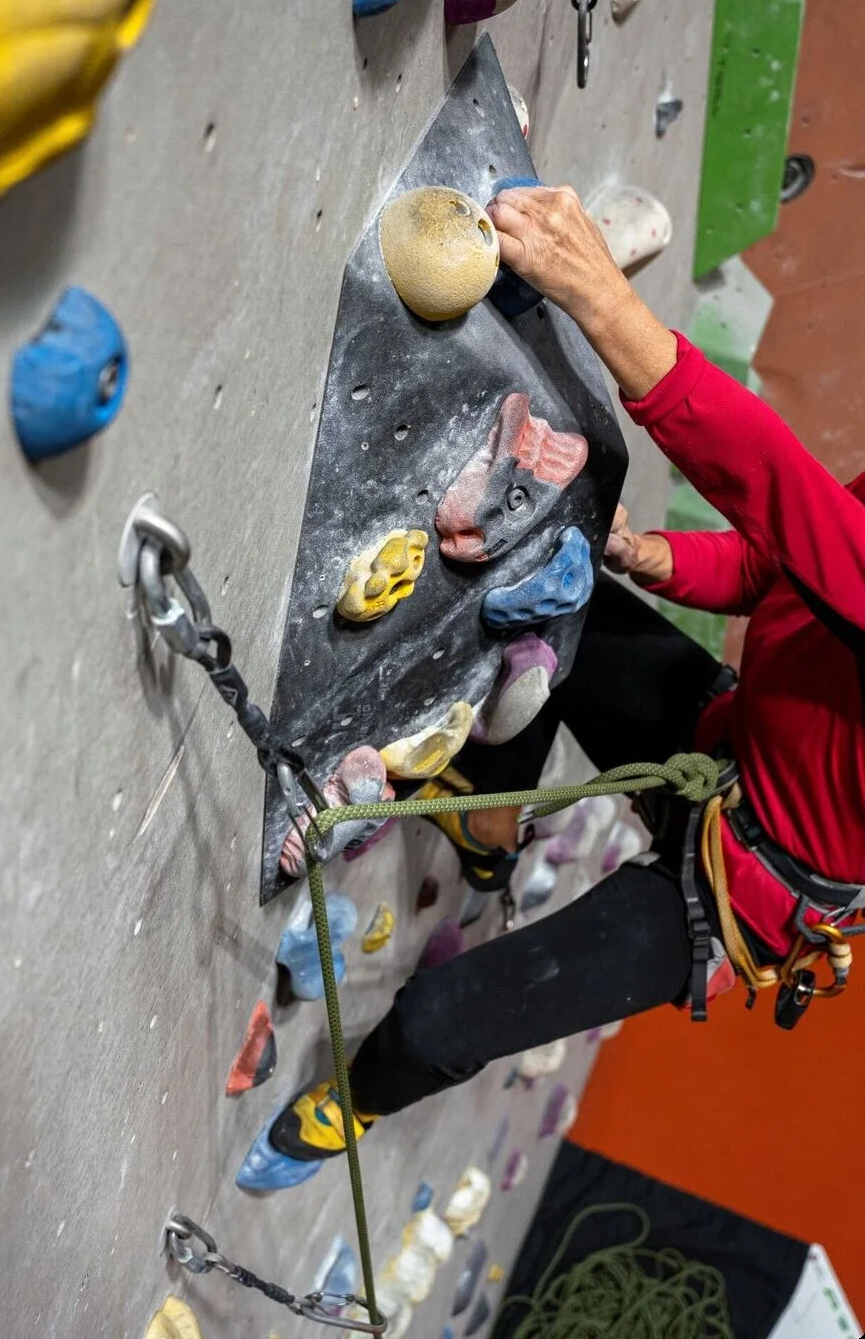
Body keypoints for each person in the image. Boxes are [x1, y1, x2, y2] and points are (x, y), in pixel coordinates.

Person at [259, 184, 865, 1177]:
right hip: (726, 739)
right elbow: (792, 558)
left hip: (740, 892)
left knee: (442, 1015)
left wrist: (609, 307)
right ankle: (488, 824)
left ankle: (355, 1099)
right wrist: (668, 558)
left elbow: (781, 486)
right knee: (550, 584)